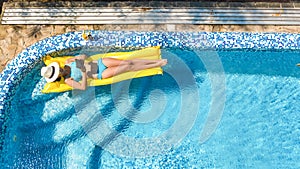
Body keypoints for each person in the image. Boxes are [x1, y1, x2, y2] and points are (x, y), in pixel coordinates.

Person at [41, 54, 168, 90]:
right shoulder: (69, 81)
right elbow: (83, 87)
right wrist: (84, 73)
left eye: (57, 68)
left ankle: (155, 62)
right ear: (57, 76)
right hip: (99, 74)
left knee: (127, 62)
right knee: (128, 67)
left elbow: (84, 56)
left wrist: (79, 59)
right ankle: (157, 64)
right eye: (57, 71)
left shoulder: (68, 61)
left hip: (99, 63)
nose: (60, 69)